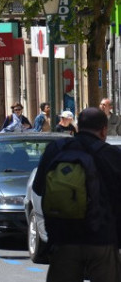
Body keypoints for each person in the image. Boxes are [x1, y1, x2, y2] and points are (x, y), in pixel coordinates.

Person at [32, 107, 121, 281]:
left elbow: (38, 188)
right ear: (104, 130)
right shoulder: (111, 155)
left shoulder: (55, 150)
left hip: (63, 240)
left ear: (77, 126)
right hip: (102, 239)